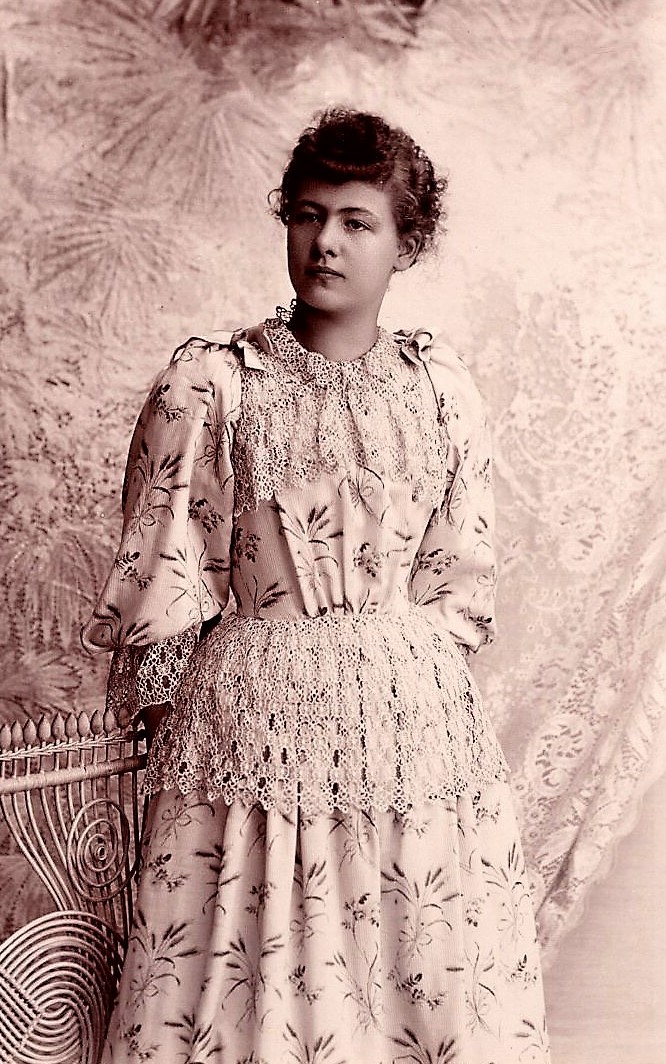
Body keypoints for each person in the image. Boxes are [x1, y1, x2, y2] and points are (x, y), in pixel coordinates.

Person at [82, 108, 550, 1064]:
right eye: (306, 215)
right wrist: (180, 725)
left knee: (415, 973)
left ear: (406, 246)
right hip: (248, 726)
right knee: (243, 978)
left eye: (355, 220)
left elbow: (459, 576)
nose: (325, 241)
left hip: (411, 733)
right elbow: (169, 573)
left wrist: (398, 687)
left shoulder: (440, 388)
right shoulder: (213, 383)